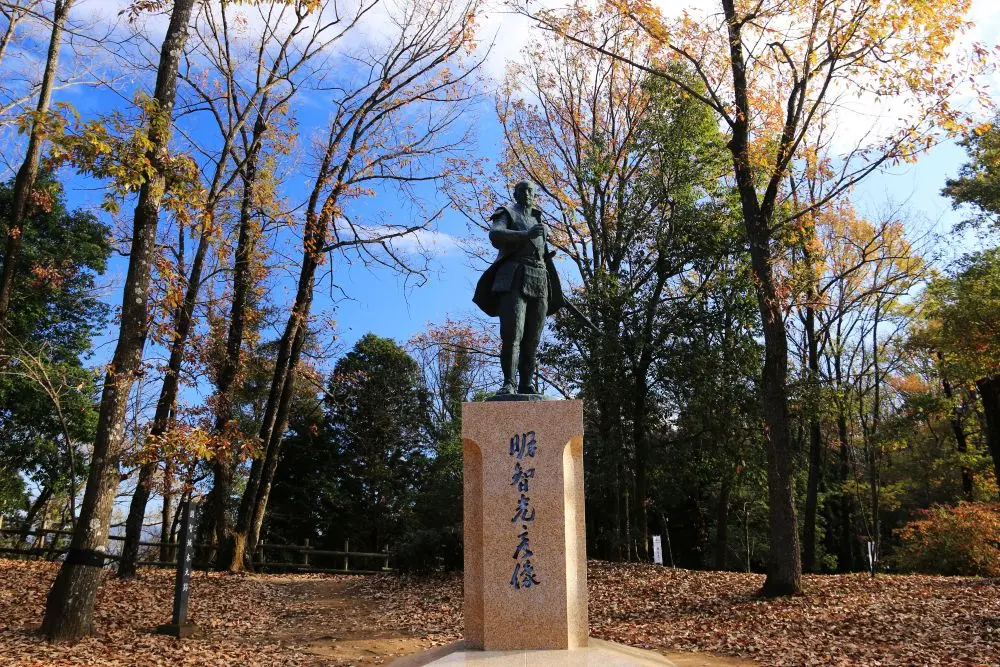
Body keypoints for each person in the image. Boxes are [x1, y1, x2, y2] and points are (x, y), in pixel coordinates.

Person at [473, 181, 563, 395]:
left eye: (531, 190)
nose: (527, 193)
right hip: (514, 276)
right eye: (523, 190)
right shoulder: (507, 213)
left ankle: (526, 383)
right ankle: (509, 382)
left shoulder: (538, 217)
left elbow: (542, 251)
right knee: (513, 334)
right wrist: (525, 235)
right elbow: (495, 235)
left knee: (532, 338)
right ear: (515, 194)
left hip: (540, 278)